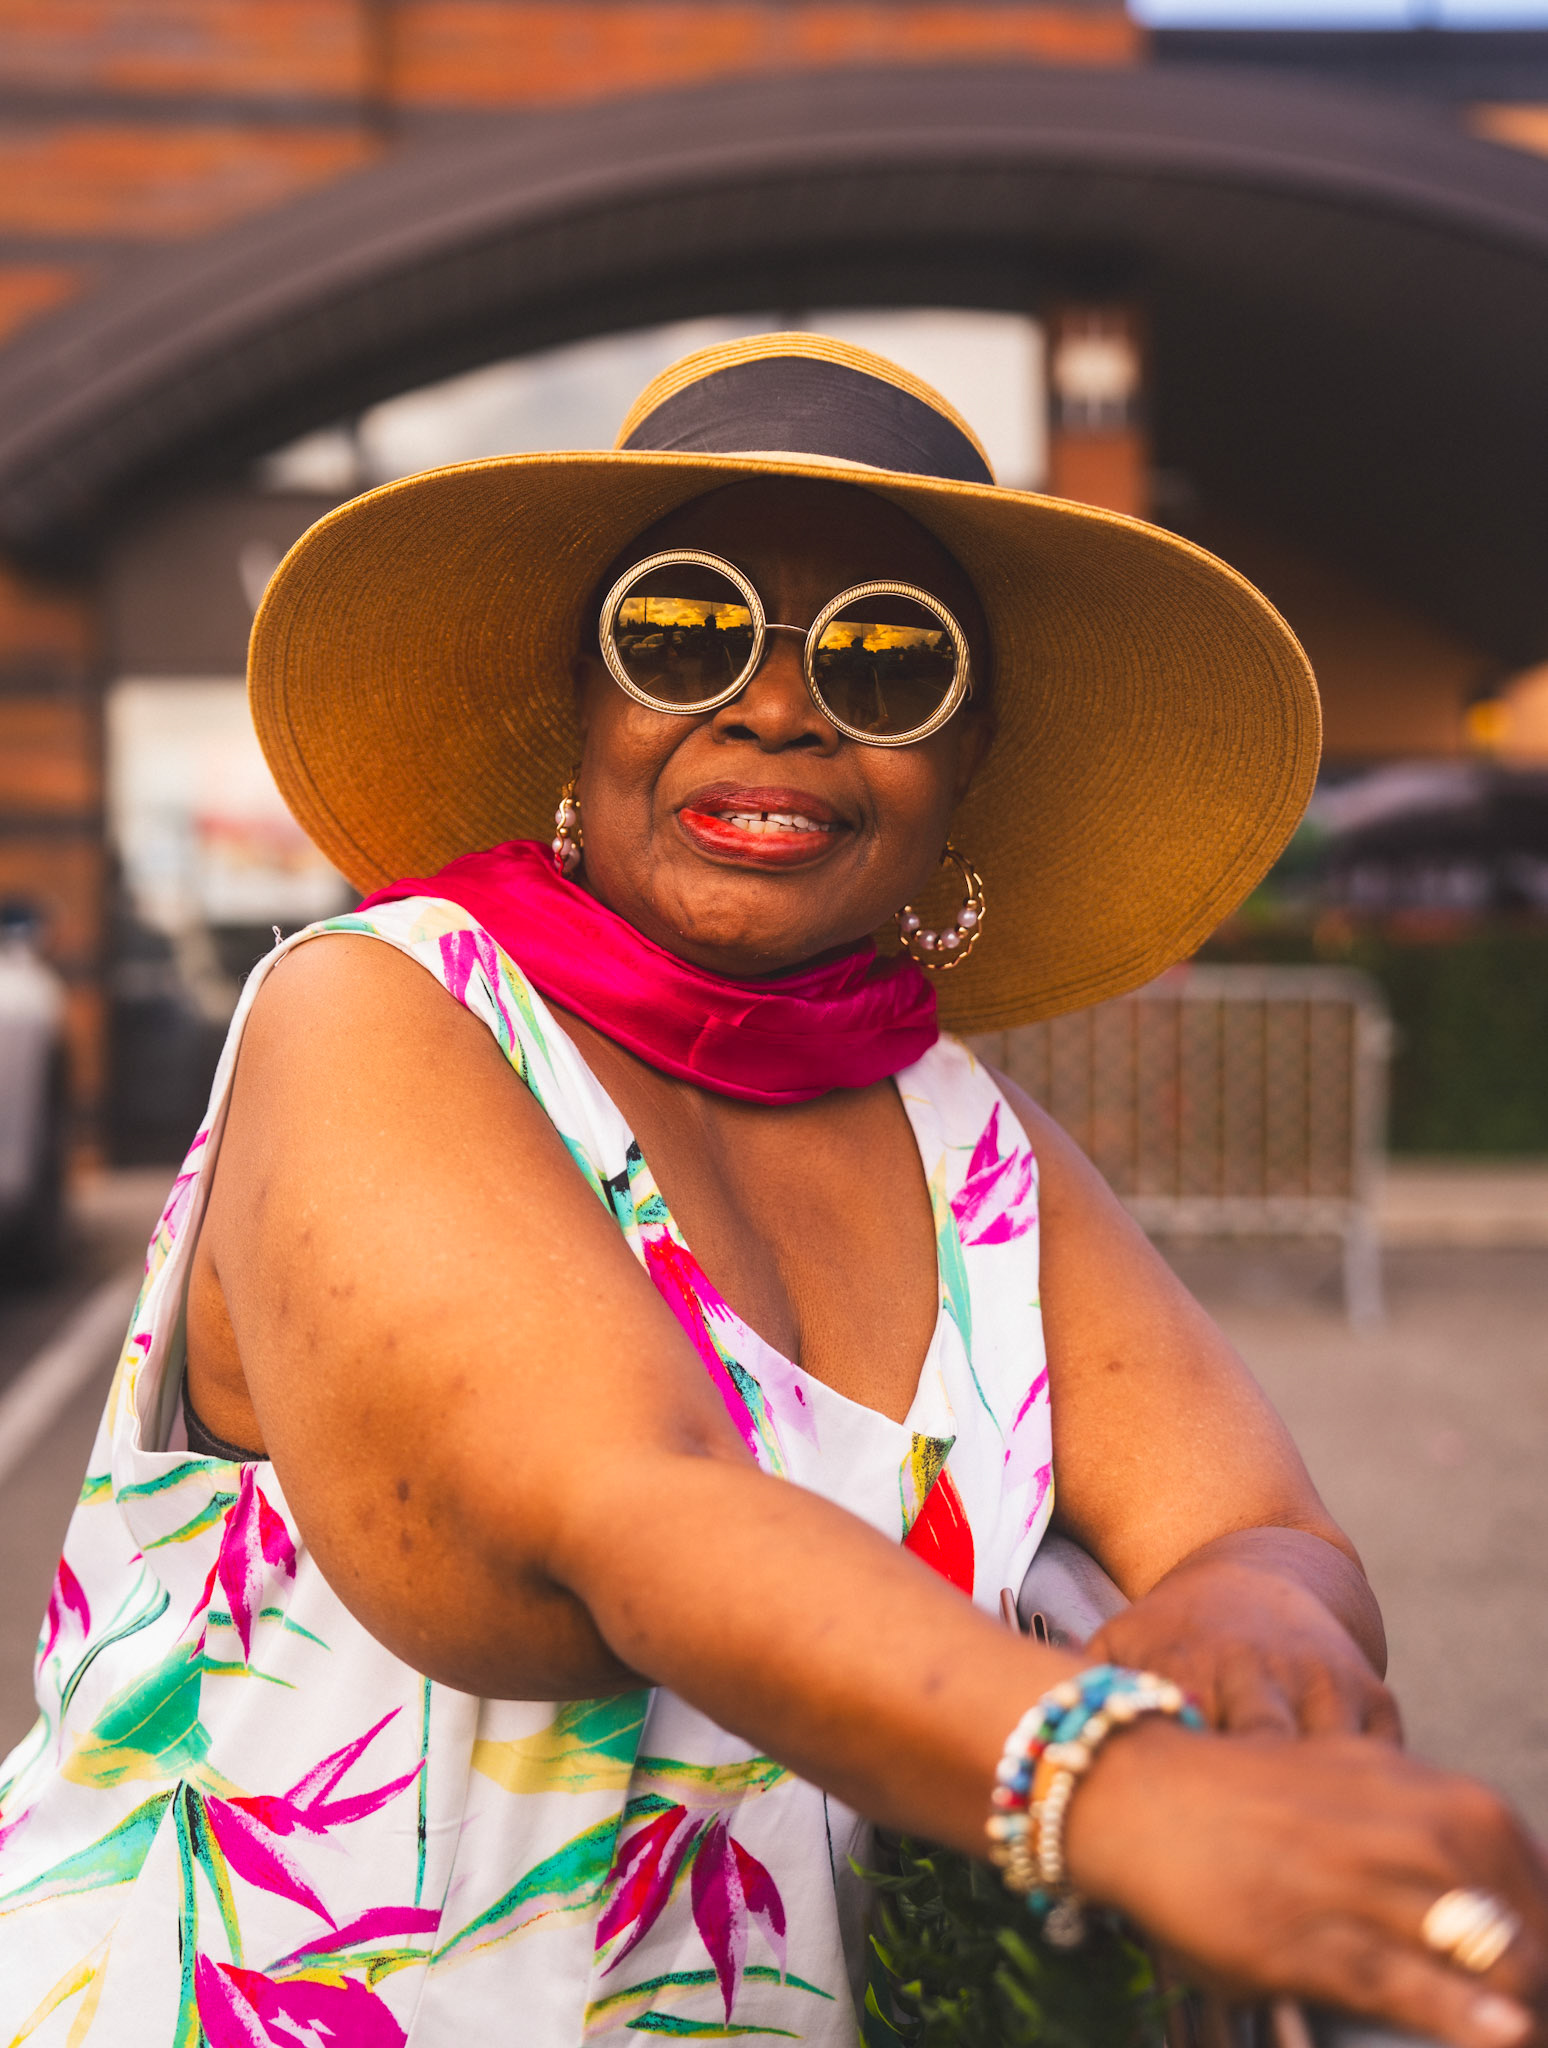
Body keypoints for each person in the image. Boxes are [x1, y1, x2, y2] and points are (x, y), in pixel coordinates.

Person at [1, 335, 1543, 2048]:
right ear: (584, 705)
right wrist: (1115, 1789)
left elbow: (1260, 1523)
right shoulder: (379, 1011)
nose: (780, 707)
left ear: (963, 761)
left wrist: (1252, 1616)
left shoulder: (973, 1146)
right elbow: (620, 1508)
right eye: (686, 632)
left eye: (890, 661)